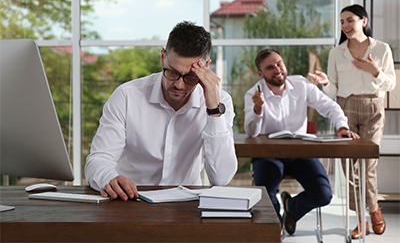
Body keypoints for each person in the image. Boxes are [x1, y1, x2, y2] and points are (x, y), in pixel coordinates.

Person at [85, 21, 238, 201]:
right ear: (163, 57)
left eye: (190, 76)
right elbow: (98, 159)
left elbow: (221, 178)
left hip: (185, 205)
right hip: (130, 201)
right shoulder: (126, 96)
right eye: (172, 72)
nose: (179, 85)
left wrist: (214, 110)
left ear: (207, 67)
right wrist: (108, 178)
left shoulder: (220, 102)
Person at [244, 49, 360, 237]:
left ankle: (291, 207)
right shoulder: (253, 94)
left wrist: (341, 127)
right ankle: (275, 228)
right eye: (270, 67)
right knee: (266, 193)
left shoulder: (301, 84)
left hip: (300, 152)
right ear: (260, 74)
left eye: (279, 63)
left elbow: (329, 106)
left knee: (323, 194)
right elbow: (251, 132)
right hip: (268, 154)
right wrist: (258, 110)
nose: (277, 69)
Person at [308, 4, 396, 239]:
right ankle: (360, 219)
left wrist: (375, 70)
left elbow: (391, 85)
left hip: (373, 108)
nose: (345, 25)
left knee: (368, 165)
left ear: (363, 21)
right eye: (342, 22)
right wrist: (326, 82)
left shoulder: (382, 49)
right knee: (349, 167)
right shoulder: (337, 53)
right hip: (346, 109)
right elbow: (334, 91)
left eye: (350, 20)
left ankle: (374, 209)